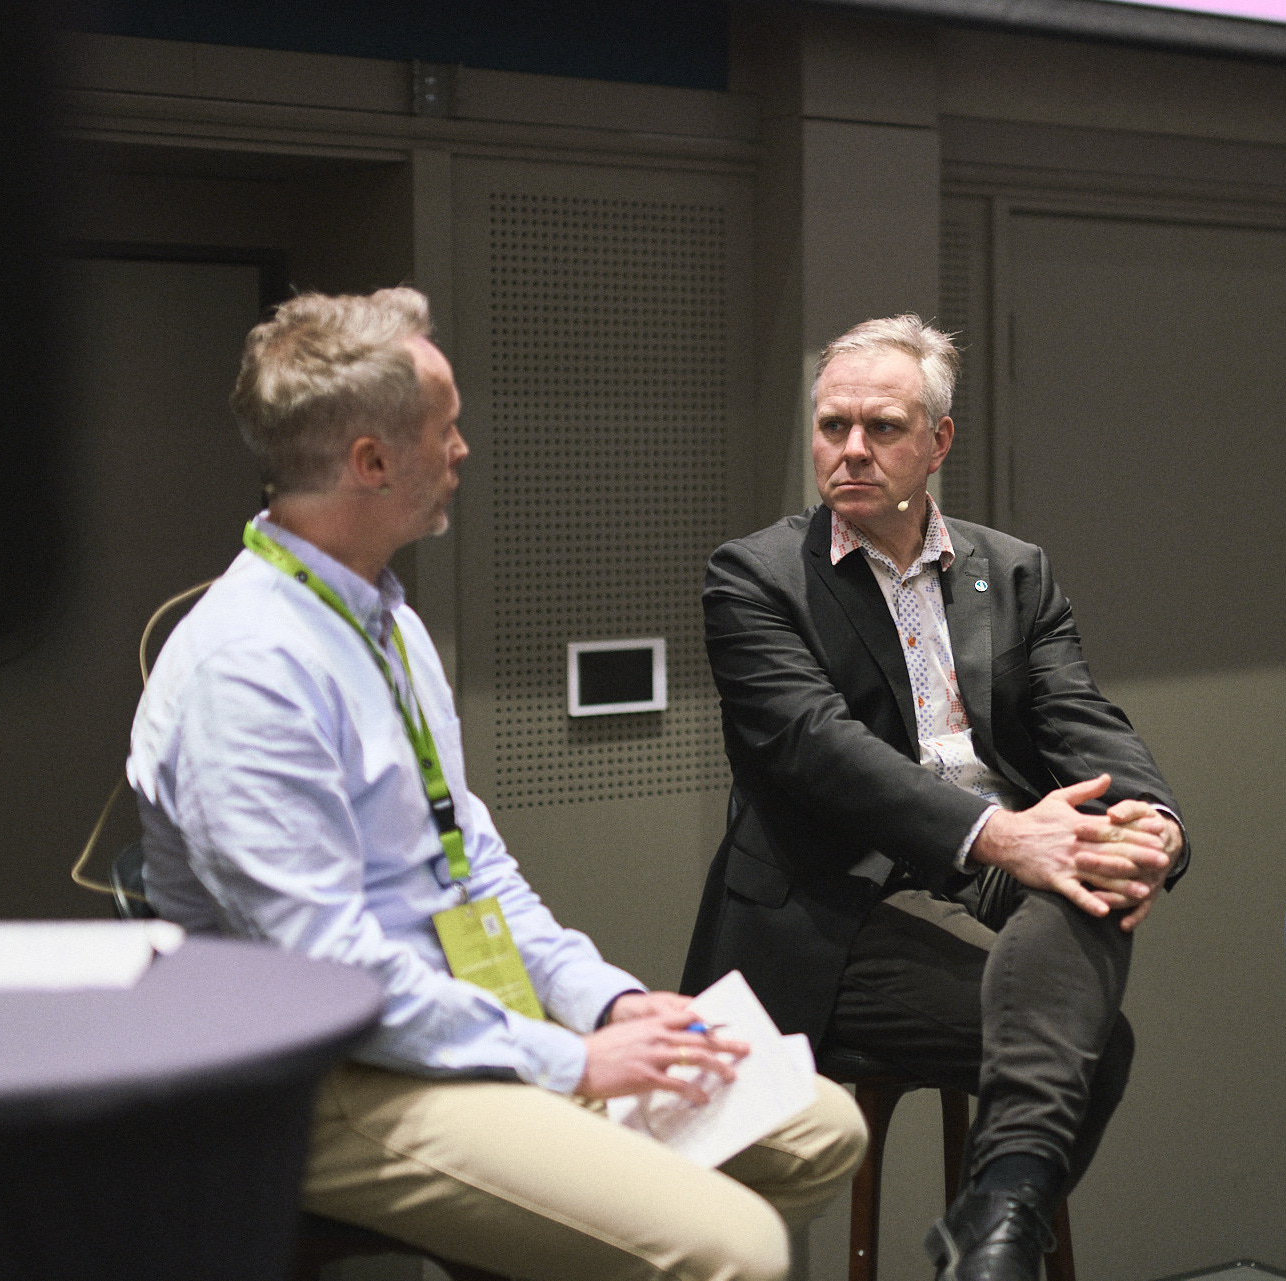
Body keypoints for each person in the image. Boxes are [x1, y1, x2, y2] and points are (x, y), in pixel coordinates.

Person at [128, 288, 865, 1281]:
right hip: (328, 1076)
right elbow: (328, 974)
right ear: (371, 462)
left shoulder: (384, 619)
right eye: (445, 428)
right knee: (736, 1250)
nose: (464, 450)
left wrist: (601, 1003)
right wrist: (565, 1059)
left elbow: (468, 859)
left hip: (449, 1016)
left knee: (820, 1125)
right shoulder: (246, 667)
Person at [682, 316, 1187, 1281]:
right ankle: (991, 1240)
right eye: (833, 426)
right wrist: (1001, 834)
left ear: (939, 441)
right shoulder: (754, 575)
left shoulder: (1012, 567)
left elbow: (1080, 713)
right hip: (830, 905)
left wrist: (1149, 818)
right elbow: (815, 749)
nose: (852, 450)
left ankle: (987, 1231)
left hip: (983, 874)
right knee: (1097, 1049)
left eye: (883, 427)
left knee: (1104, 870)